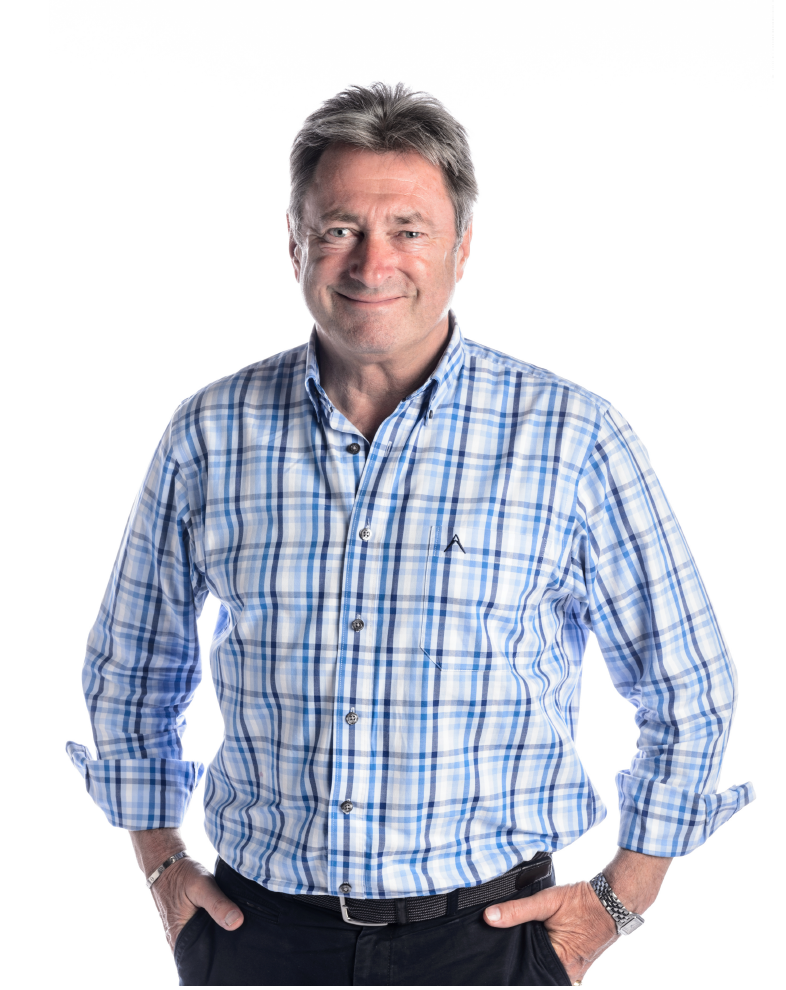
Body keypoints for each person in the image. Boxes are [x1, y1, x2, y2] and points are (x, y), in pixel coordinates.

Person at [67, 82, 753, 987]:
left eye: (409, 229)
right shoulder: (210, 432)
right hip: (257, 939)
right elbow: (131, 668)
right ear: (295, 243)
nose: (372, 261)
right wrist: (162, 865)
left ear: (462, 247)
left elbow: (690, 686)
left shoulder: (572, 438)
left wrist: (617, 903)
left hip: (488, 942)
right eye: (339, 228)